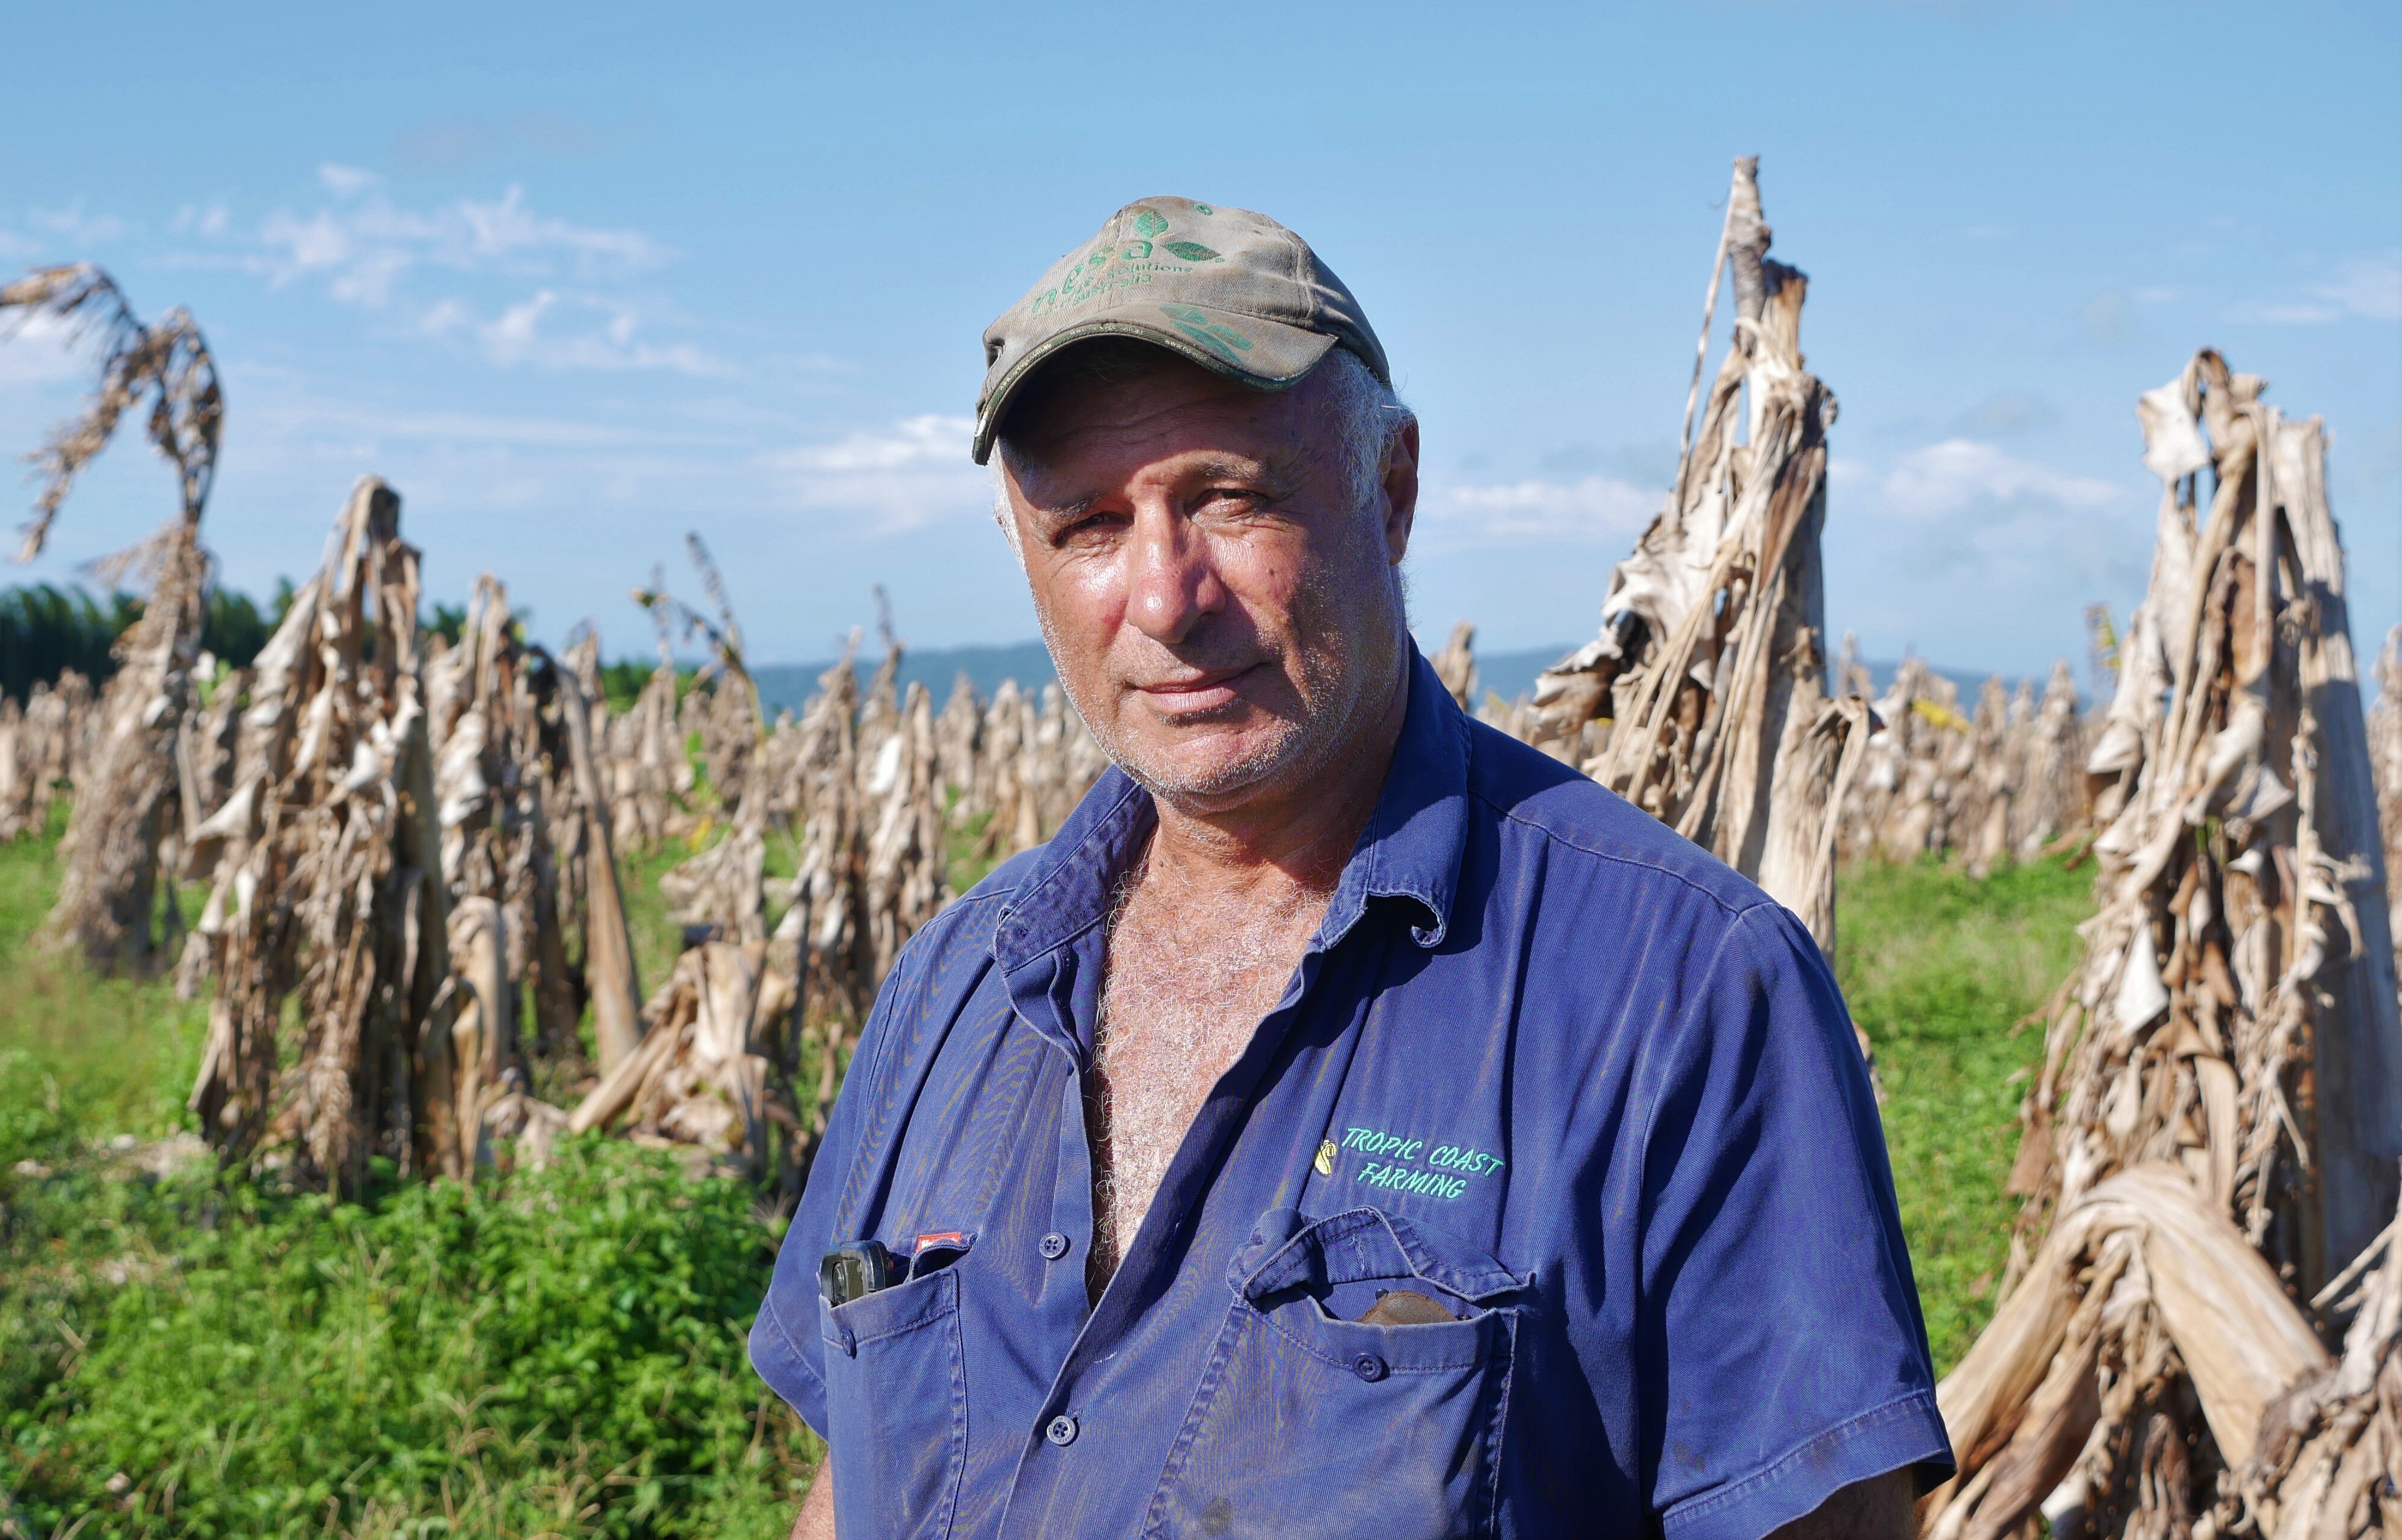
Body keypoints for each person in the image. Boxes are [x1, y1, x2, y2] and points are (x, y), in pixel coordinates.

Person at [750, 196, 1951, 1539]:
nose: (1163, 598)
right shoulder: (955, 985)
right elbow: (848, 1491)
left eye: (1228, 498)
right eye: (1088, 524)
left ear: (1391, 494)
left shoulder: (1679, 991)